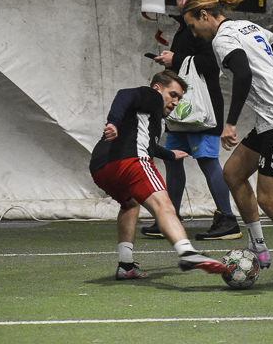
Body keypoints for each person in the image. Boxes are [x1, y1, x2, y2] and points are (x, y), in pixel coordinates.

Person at [181, 0, 273, 289]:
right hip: (272, 121)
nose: (194, 33)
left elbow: (243, 74)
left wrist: (231, 122)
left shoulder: (222, 39)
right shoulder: (246, 26)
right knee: (233, 173)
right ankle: (258, 246)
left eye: (193, 26)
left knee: (269, 198)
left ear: (204, 15)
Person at [89, 69, 227, 280]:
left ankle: (126, 266)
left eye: (179, 98)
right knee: (164, 206)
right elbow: (125, 94)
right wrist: (113, 122)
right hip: (129, 161)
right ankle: (187, 252)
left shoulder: (148, 118)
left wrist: (170, 154)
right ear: (157, 88)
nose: (175, 102)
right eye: (172, 94)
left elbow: (150, 146)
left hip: (101, 169)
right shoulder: (152, 97)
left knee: (130, 205)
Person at [142, 0, 241, 241]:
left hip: (203, 109)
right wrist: (171, 62)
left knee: (208, 161)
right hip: (182, 110)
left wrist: (176, 58)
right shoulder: (185, 27)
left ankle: (228, 219)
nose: (184, 1)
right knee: (172, 158)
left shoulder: (208, 28)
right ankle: (170, 217)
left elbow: (212, 63)